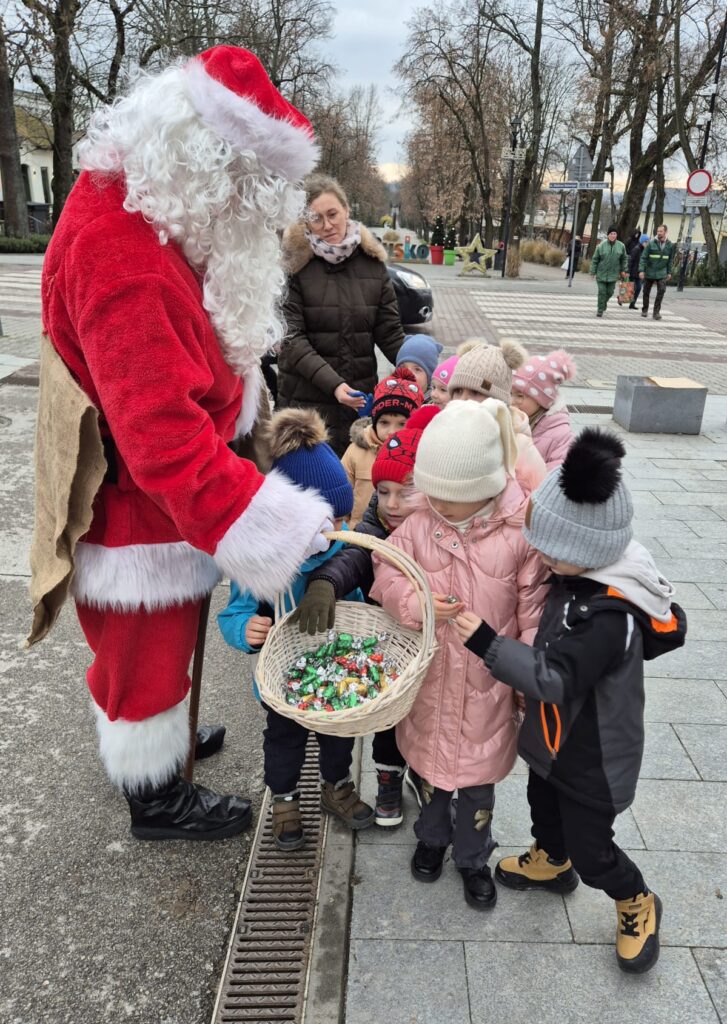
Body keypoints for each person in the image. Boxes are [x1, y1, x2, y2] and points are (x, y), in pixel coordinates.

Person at [29, 46, 335, 840]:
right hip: (140, 502)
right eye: (243, 186)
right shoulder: (120, 251)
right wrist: (269, 524)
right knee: (144, 645)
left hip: (165, 490)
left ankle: (159, 740)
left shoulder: (150, 203)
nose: (251, 209)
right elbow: (160, 436)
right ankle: (154, 793)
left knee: (163, 642)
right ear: (205, 163)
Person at [454, 428, 686, 973]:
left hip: (594, 760)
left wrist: (488, 642)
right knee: (544, 811)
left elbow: (555, 678)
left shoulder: (609, 617)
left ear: (586, 552)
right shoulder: (579, 579)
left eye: (551, 552)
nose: (542, 557)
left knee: (593, 849)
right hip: (556, 744)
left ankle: (635, 898)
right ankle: (551, 861)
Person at [370, 400, 548, 909]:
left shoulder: (520, 537)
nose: (437, 504)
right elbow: (388, 570)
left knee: (477, 792)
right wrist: (412, 601)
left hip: (485, 691)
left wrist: (523, 685)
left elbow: (533, 616)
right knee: (428, 778)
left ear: (483, 488)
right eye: (434, 493)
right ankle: (431, 839)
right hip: (431, 682)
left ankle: (473, 858)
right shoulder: (421, 523)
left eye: (452, 497)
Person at [218, 408, 374, 850]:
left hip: (334, 677)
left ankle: (336, 785)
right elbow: (231, 614)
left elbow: (356, 604)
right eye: (328, 523)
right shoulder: (260, 567)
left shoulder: (337, 556)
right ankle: (285, 798)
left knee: (338, 737)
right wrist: (244, 627)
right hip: (281, 681)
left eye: (341, 522)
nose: (338, 531)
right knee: (283, 740)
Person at [294, 414, 435, 827]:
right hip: (389, 639)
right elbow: (356, 554)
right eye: (383, 491)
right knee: (390, 719)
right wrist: (325, 580)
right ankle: (389, 779)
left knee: (428, 716)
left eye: (404, 493)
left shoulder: (438, 526)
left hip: (434, 639)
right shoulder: (378, 521)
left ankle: (427, 777)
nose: (392, 503)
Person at [277, 174, 405, 455]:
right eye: (316, 218)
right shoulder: (294, 265)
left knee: (355, 490)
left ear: (346, 210)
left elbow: (389, 332)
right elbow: (291, 338)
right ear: (305, 222)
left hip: (357, 403)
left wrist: (417, 368)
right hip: (305, 407)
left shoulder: (372, 265)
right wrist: (334, 385)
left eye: (333, 214)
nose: (327, 225)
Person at [447, 340, 548, 494]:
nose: (462, 400)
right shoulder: (444, 430)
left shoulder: (519, 447)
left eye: (475, 393)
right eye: (458, 391)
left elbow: (536, 498)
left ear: (498, 401)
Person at [340, 367, 423, 527]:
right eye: (384, 422)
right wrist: (344, 529)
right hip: (357, 534)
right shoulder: (356, 451)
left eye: (402, 424)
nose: (392, 432)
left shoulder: (419, 454)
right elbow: (342, 493)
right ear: (375, 421)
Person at [511, 350, 576, 468]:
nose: (511, 401)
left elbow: (556, 479)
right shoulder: (515, 419)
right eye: (510, 393)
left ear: (541, 401)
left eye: (520, 396)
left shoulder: (561, 437)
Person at [640, 224, 676, 321]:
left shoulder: (670, 245)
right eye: (658, 231)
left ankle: (656, 312)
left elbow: (670, 260)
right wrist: (642, 270)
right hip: (650, 271)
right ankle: (645, 309)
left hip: (662, 272)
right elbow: (643, 257)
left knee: (661, 290)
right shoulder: (651, 243)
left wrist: (669, 272)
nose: (659, 233)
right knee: (646, 291)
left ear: (665, 232)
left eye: (661, 231)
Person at [590, 225, 628, 317]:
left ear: (617, 235)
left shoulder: (621, 246)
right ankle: (600, 309)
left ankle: (603, 304)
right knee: (602, 291)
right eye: (611, 233)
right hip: (601, 274)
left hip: (613, 274)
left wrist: (624, 270)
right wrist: (593, 272)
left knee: (610, 292)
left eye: (615, 233)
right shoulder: (601, 246)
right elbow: (595, 259)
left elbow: (624, 259)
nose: (613, 235)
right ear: (608, 235)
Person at [395, 334, 444, 400]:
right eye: (403, 368)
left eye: (417, 369)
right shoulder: (386, 398)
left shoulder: (435, 406)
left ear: (429, 378)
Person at [628, 233, 649, 309]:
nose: (647, 243)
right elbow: (630, 260)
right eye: (646, 242)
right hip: (633, 273)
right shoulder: (636, 249)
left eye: (648, 242)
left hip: (639, 273)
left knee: (638, 288)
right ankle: (621, 299)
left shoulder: (645, 250)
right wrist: (628, 271)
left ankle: (632, 304)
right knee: (630, 288)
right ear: (642, 241)